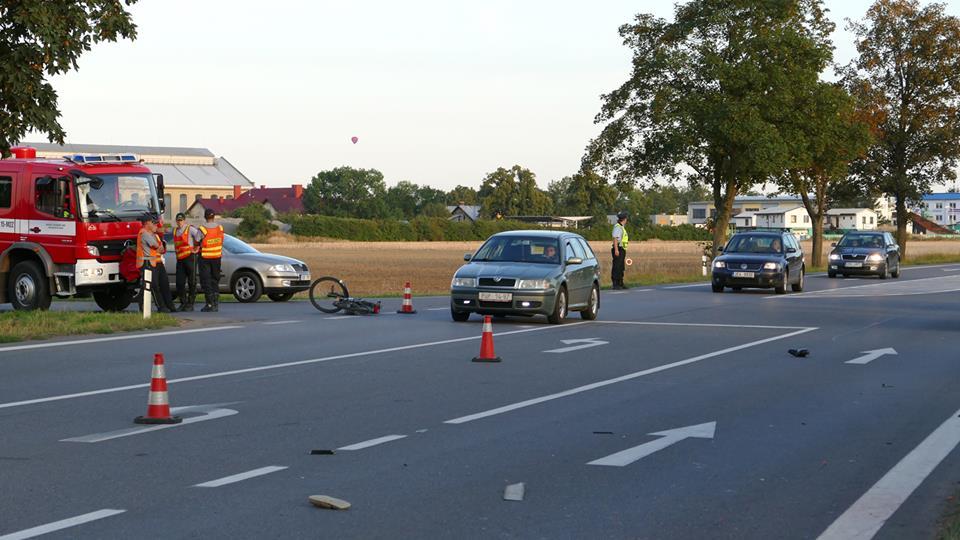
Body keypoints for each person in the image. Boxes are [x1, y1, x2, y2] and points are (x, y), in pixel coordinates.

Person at [137, 216, 176, 313]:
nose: (155, 225)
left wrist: (159, 247)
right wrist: (159, 247)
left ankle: (169, 306)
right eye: (153, 223)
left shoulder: (155, 235)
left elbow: (162, 249)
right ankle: (161, 307)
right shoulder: (144, 233)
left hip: (157, 262)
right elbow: (156, 246)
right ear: (146, 223)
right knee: (153, 285)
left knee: (163, 285)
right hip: (147, 262)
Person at [173, 213, 203, 311]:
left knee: (192, 281)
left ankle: (190, 304)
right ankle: (183, 303)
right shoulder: (175, 231)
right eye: (178, 220)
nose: (179, 222)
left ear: (184, 220)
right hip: (180, 260)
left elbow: (200, 236)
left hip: (190, 258)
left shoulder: (190, 229)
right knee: (180, 282)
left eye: (181, 220)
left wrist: (197, 247)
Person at [198, 208, 224, 312]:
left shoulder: (202, 229)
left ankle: (209, 304)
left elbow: (196, 240)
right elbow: (222, 240)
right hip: (217, 257)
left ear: (205, 217)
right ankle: (215, 304)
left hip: (205, 258)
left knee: (206, 281)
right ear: (214, 217)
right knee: (215, 280)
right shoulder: (220, 228)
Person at [611, 212, 629, 289]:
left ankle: (620, 283)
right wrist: (616, 250)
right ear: (624, 219)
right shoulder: (618, 227)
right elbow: (615, 238)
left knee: (621, 267)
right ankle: (615, 284)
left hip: (622, 249)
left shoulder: (621, 227)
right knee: (617, 267)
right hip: (618, 249)